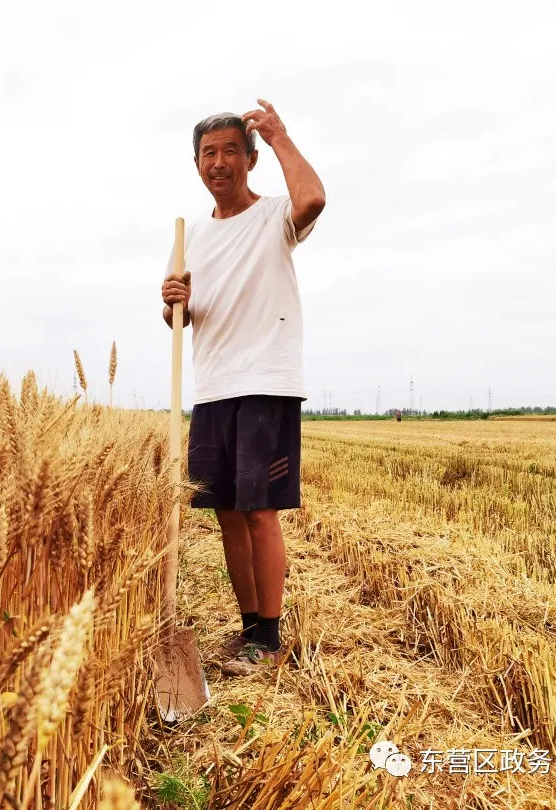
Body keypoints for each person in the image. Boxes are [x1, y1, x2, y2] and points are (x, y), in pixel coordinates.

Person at [160, 101, 325, 676]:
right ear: (197, 165)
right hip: (212, 386)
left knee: (260, 512)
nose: (220, 162)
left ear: (251, 159)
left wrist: (280, 135)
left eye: (232, 150)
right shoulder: (191, 237)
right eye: (209, 153)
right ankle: (250, 626)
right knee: (228, 511)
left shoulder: (276, 215)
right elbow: (180, 320)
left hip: (265, 380)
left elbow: (314, 200)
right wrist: (172, 304)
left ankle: (272, 638)